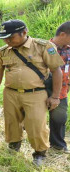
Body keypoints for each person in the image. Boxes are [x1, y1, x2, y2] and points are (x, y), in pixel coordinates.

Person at [0, 19, 64, 166]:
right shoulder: (3, 51)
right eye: (5, 38)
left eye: (11, 37)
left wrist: (55, 96)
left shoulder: (43, 47)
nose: (7, 41)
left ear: (24, 32)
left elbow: (56, 71)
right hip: (10, 93)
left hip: (36, 93)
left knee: (36, 124)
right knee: (11, 122)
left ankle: (40, 153)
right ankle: (13, 146)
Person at [49, 21, 70, 154]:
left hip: (62, 91)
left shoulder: (69, 49)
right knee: (34, 118)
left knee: (60, 118)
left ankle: (58, 145)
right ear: (63, 34)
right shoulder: (46, 47)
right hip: (43, 89)